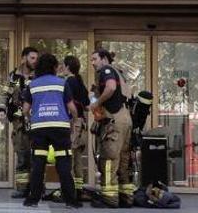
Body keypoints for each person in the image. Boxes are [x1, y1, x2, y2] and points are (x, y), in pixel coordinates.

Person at [21, 53, 80, 209]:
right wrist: (75, 120)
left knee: (38, 165)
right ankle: (70, 201)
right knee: (64, 165)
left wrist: (30, 118)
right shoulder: (62, 83)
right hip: (60, 128)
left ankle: (33, 200)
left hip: (39, 128)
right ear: (54, 67)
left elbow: (25, 109)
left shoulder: (32, 85)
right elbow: (72, 108)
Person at [89, 49, 135, 208]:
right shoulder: (119, 73)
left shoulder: (106, 70)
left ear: (104, 59)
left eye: (94, 59)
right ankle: (126, 197)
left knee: (109, 159)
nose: (92, 63)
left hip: (114, 120)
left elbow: (110, 88)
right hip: (124, 119)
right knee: (123, 160)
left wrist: (97, 103)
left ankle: (109, 198)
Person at [6, 46, 38, 198]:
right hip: (19, 123)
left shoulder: (39, 76)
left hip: (36, 121)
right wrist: (2, 109)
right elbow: (7, 94)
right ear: (24, 58)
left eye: (36, 58)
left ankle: (38, 188)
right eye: (32, 58)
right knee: (22, 155)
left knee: (38, 156)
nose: (35, 61)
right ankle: (22, 189)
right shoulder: (14, 76)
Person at [61, 55, 90, 201]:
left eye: (63, 65)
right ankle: (79, 189)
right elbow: (87, 103)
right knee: (78, 159)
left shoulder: (68, 82)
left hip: (72, 123)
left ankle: (68, 191)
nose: (62, 68)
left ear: (67, 67)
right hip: (82, 123)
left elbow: (67, 103)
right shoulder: (80, 82)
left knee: (68, 158)